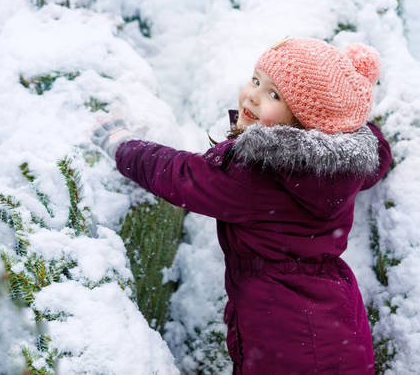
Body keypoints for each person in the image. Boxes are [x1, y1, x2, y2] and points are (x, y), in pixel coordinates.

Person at [93, 37, 392, 374]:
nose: (253, 95)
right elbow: (378, 157)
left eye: (274, 95)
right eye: (256, 80)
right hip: (336, 326)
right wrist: (363, 128)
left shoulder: (257, 174)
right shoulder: (340, 168)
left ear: (304, 123)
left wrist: (122, 146)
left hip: (282, 338)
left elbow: (179, 176)